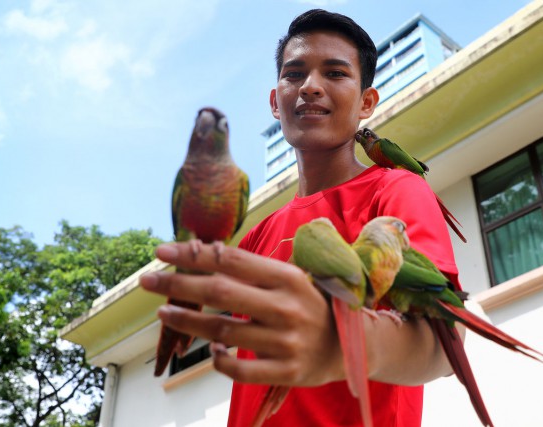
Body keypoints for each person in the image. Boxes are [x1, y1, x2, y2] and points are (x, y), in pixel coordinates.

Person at [140, 9, 463, 427]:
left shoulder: (395, 189)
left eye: (335, 73)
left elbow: (448, 341)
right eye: (294, 74)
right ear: (276, 102)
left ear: (367, 102)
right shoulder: (255, 238)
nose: (310, 87)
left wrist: (349, 341)